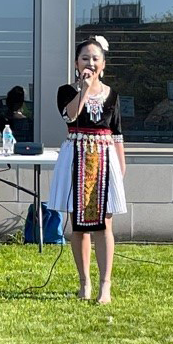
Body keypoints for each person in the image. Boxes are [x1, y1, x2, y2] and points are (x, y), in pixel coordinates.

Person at [48, 35, 126, 304]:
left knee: (105, 222)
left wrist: (121, 164)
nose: (90, 62)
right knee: (79, 224)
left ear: (103, 64)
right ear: (76, 63)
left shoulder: (112, 95)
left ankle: (106, 284)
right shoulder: (66, 91)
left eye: (95, 58)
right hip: (77, 157)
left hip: (104, 158)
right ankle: (85, 282)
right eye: (85, 58)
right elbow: (69, 116)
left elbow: (117, 132)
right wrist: (84, 88)